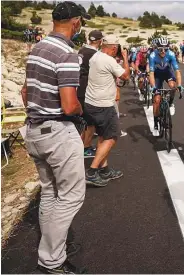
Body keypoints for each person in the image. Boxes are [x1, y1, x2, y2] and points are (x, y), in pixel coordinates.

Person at [20, 2, 90, 273]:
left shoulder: (37, 48)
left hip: (34, 130)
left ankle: (51, 249)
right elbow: (70, 104)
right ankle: (51, 260)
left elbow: (26, 93)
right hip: (57, 132)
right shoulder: (67, 53)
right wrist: (81, 112)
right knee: (71, 196)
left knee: (50, 192)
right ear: (76, 23)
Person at [83, 37, 130, 186]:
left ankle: (104, 170)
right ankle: (91, 172)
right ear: (114, 48)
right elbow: (125, 76)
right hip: (103, 105)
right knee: (112, 137)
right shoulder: (109, 60)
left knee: (103, 136)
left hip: (90, 103)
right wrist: (125, 58)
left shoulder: (95, 56)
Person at [148, 36, 184, 136]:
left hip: (168, 73)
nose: (163, 51)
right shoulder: (152, 56)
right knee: (157, 100)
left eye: (165, 49)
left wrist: (179, 85)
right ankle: (155, 123)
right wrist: (153, 87)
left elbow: (177, 71)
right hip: (157, 75)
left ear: (169, 48)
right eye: (160, 49)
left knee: (173, 86)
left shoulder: (171, 54)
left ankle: (171, 103)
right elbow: (151, 73)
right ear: (156, 48)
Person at [78, 30, 103, 158]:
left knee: (83, 120)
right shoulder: (95, 54)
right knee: (91, 121)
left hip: (78, 86)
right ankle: (86, 148)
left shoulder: (81, 50)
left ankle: (81, 145)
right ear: (100, 41)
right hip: (87, 88)